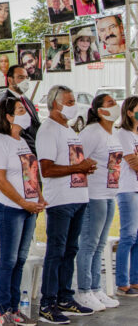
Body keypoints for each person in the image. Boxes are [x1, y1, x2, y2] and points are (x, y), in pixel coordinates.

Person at [36, 85, 98, 323]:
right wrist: (78, 167)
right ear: (56, 104)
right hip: (60, 200)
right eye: (69, 102)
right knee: (56, 251)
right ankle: (47, 303)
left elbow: (72, 163)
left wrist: (84, 168)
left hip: (78, 197)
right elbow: (47, 169)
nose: (74, 106)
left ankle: (65, 297)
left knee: (71, 250)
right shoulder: (48, 130)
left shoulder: (69, 129)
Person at [0, 98, 46, 325]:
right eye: (21, 110)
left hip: (29, 208)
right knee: (9, 260)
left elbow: (30, 173)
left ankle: (15, 308)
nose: (26, 114)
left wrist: (38, 196)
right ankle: (4, 311)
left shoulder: (22, 141)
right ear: (9, 116)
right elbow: (0, 180)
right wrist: (23, 202)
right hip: (11, 208)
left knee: (20, 259)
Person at [75, 94, 123, 311]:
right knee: (89, 243)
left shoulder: (112, 133)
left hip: (109, 194)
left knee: (100, 244)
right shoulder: (91, 132)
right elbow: (77, 160)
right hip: (93, 195)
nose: (115, 105)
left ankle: (96, 288)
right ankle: (84, 290)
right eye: (110, 103)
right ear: (100, 111)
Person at [115, 96, 138, 297]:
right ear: (130, 112)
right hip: (127, 189)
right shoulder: (123, 135)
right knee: (128, 235)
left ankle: (135, 279)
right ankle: (122, 282)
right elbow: (133, 162)